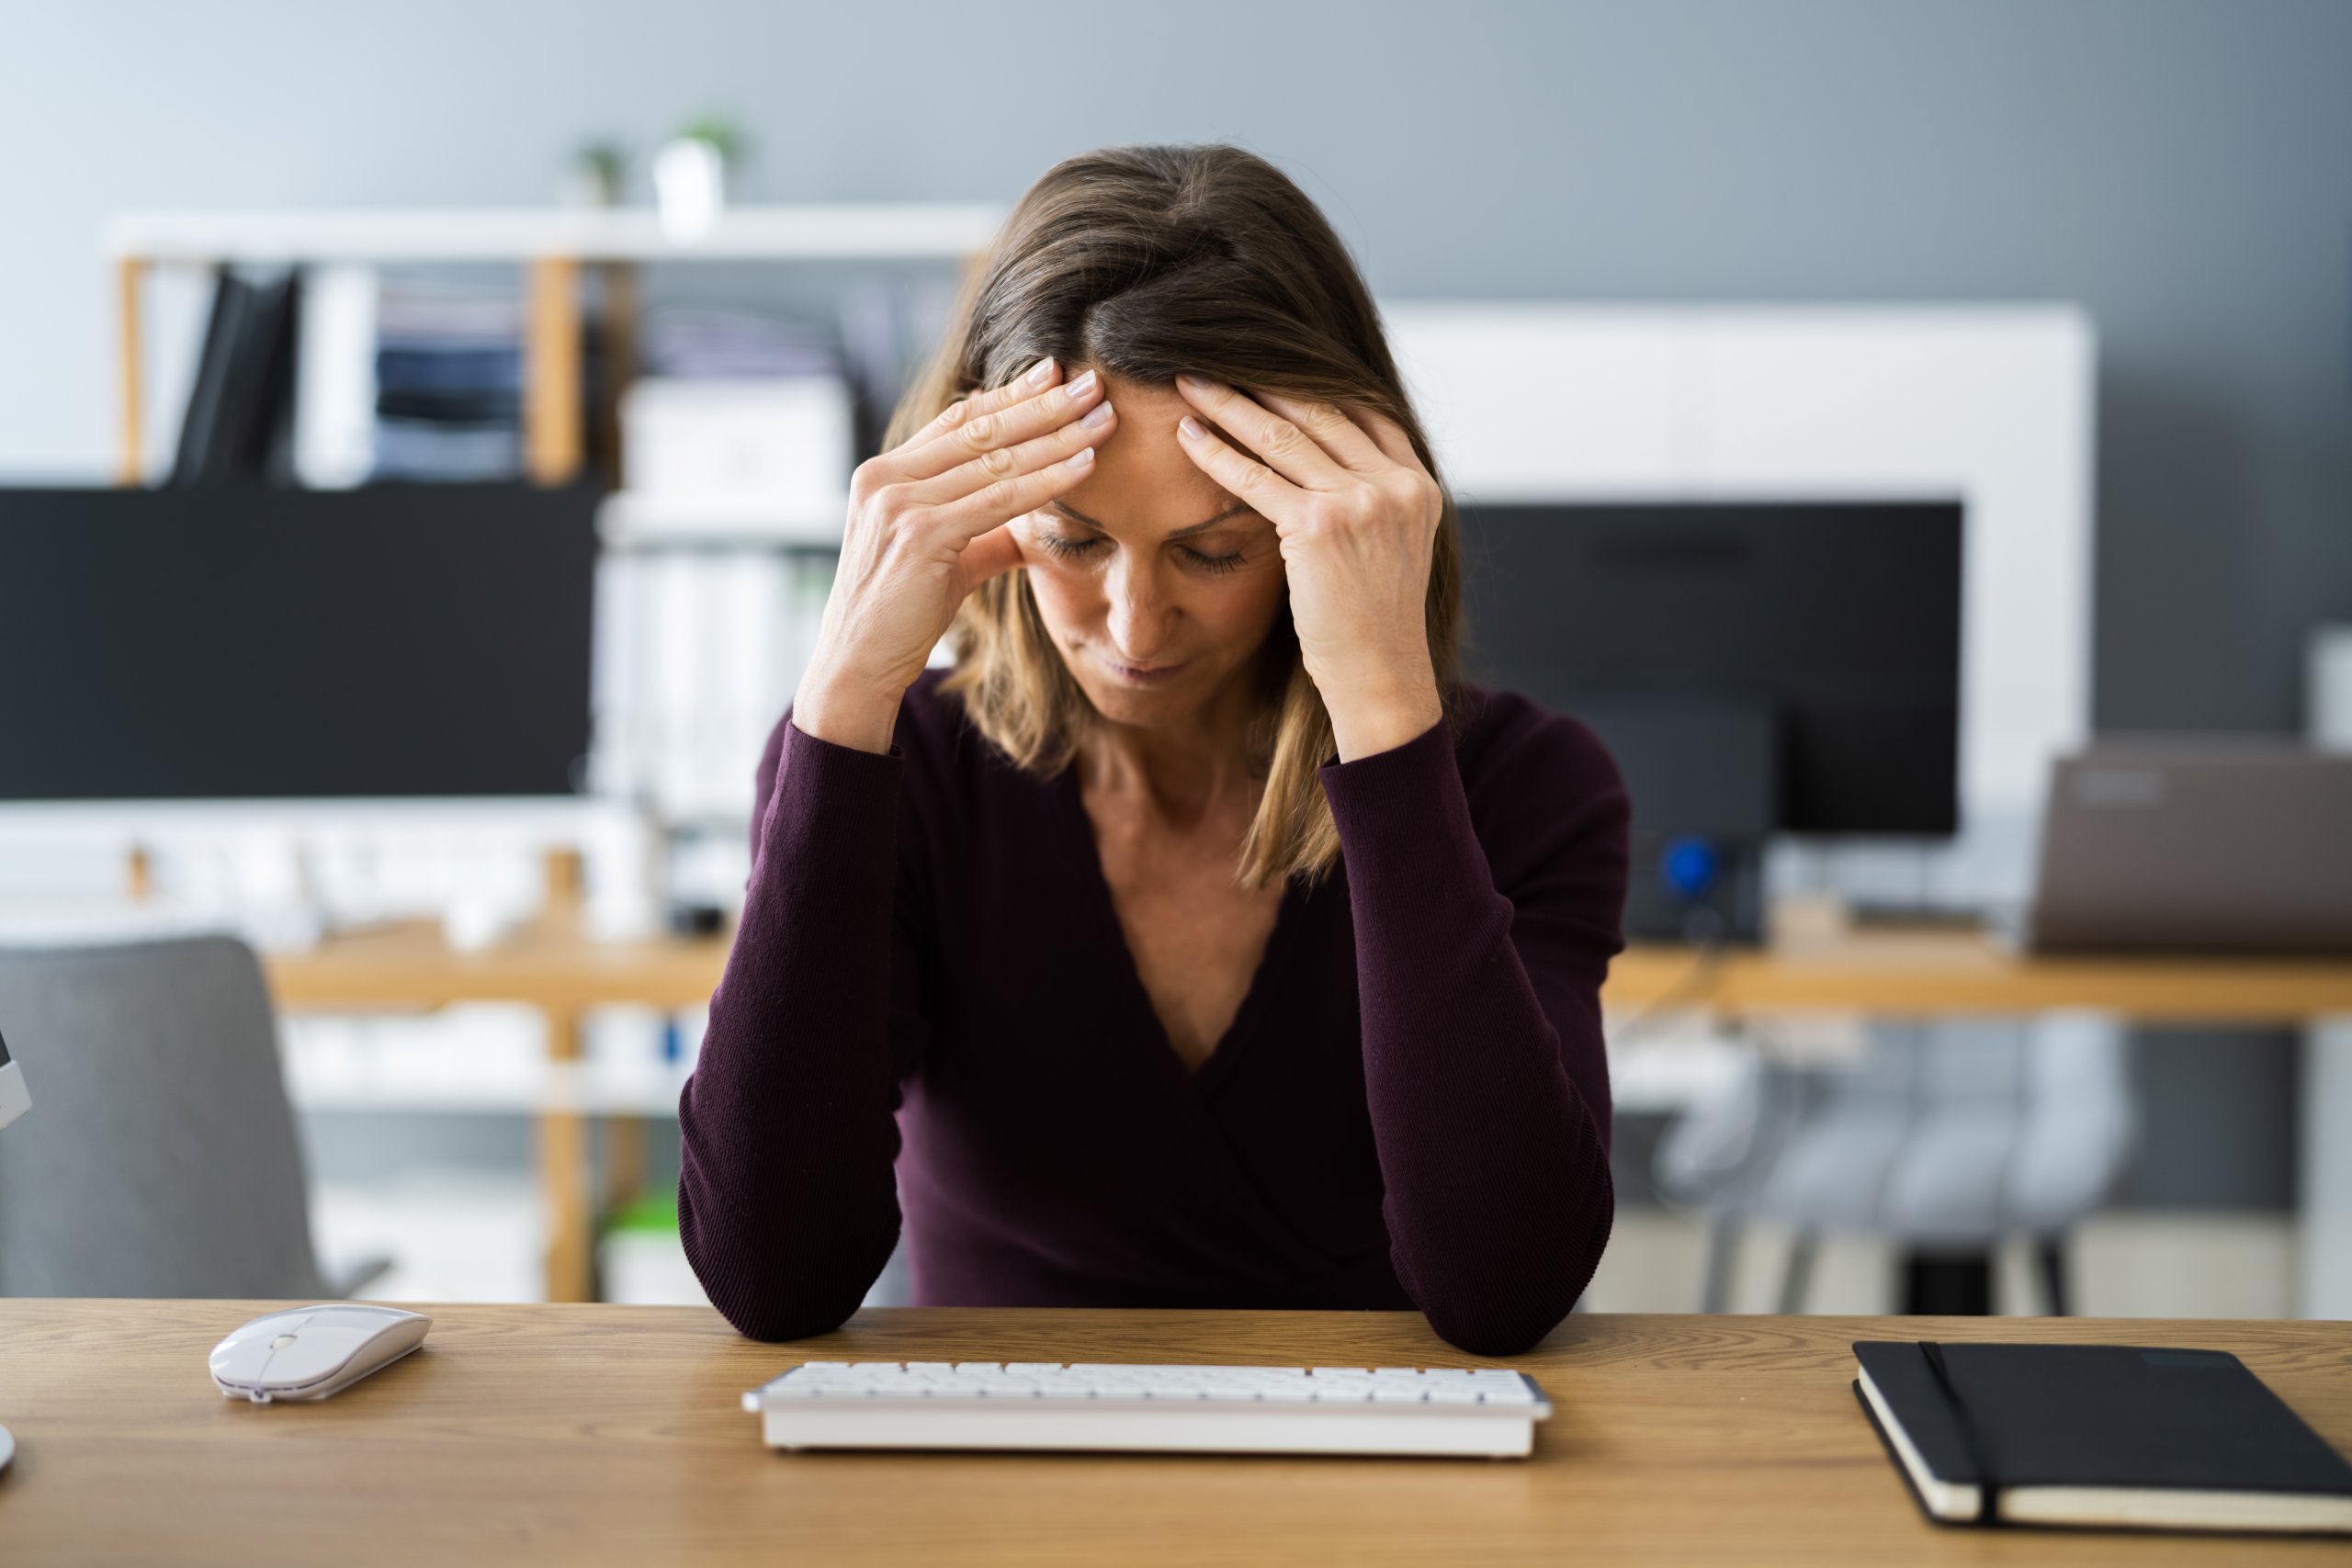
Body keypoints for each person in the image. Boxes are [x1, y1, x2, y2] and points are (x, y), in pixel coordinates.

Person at [678, 144, 1627, 1356]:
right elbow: (772, 1275)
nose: (1132, 627)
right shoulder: (898, 774)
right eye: (1073, 540)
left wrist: (1385, 710)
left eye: (1214, 551)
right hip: (992, 1505)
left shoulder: (1527, 790)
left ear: (1336, 515)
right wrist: (848, 688)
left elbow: (1506, 1291)